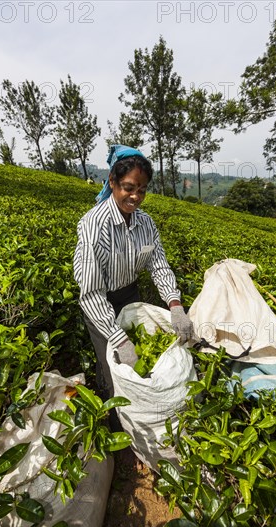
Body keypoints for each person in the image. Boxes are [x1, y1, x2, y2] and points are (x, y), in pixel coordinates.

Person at [73, 144, 193, 400]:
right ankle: (113, 416)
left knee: (138, 362)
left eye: (142, 190)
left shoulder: (145, 223)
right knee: (113, 364)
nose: (135, 197)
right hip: (100, 303)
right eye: (129, 188)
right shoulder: (94, 225)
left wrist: (175, 305)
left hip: (131, 296)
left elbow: (158, 264)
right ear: (113, 182)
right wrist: (119, 339)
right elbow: (91, 293)